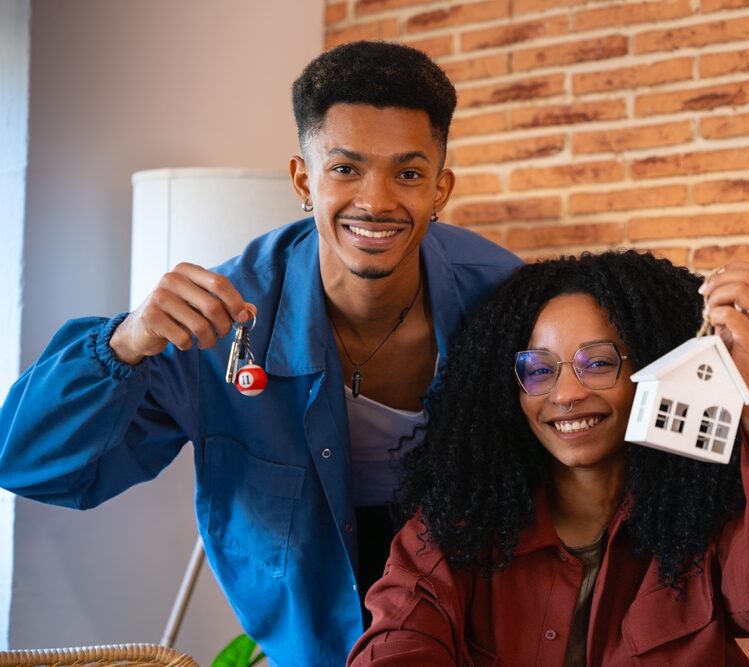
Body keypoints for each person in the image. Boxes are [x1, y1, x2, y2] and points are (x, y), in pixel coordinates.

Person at [0, 41, 520, 666]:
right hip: (309, 645)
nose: (376, 201)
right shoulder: (219, 321)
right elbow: (26, 463)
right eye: (345, 169)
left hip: (476, 634)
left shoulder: (505, 299)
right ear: (304, 180)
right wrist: (125, 343)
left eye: (407, 174)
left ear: (440, 188)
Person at [349, 252, 749, 666]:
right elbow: (399, 641)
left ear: (648, 369)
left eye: (598, 363)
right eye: (538, 369)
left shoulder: (700, 524)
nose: (566, 394)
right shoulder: (454, 526)